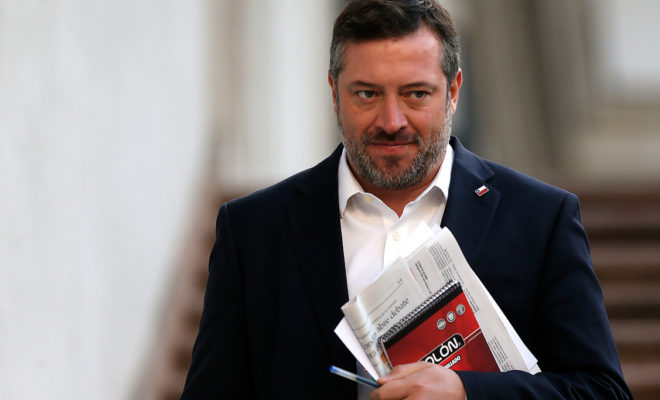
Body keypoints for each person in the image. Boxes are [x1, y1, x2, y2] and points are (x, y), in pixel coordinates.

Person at [181, 0, 632, 399]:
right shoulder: (254, 232)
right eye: (367, 94)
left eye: (416, 94)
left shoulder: (540, 219)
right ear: (334, 94)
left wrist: (467, 393)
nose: (391, 120)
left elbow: (601, 391)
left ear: (453, 92)